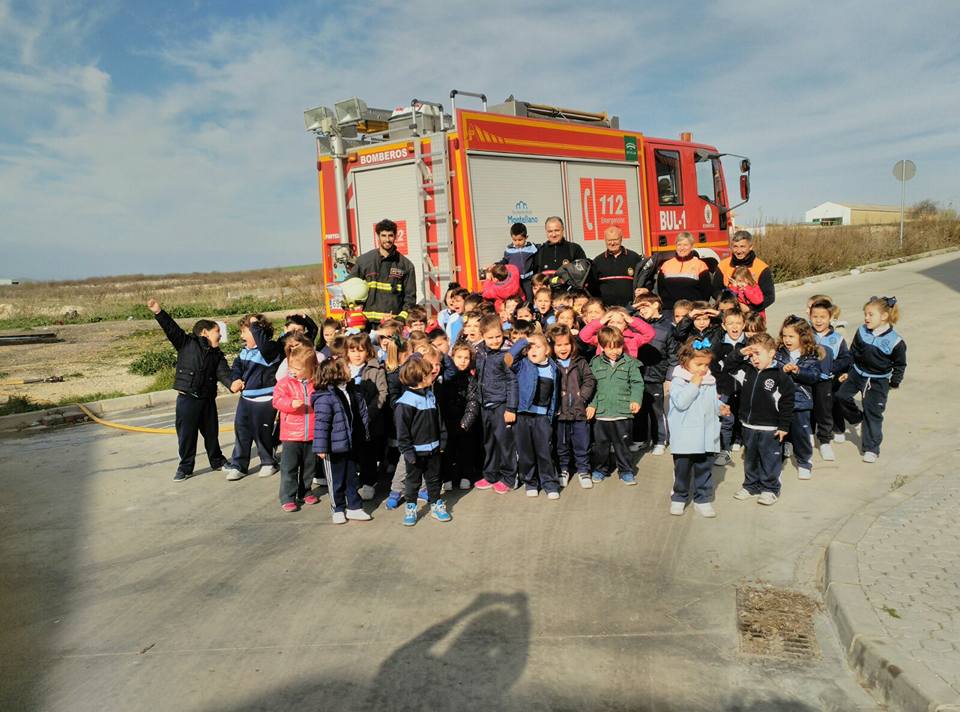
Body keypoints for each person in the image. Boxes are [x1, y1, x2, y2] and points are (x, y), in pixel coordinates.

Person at [147, 298, 238, 481]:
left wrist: (232, 384)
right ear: (205, 332)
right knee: (187, 436)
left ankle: (218, 461)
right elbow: (171, 328)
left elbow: (224, 373)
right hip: (187, 399)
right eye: (217, 332)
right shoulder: (186, 343)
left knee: (211, 434)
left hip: (207, 400)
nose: (220, 336)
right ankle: (185, 468)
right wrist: (159, 312)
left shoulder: (217, 354)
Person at [722, 333, 795, 506]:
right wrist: (741, 353)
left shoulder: (780, 375)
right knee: (751, 458)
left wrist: (784, 426)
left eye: (758, 354)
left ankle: (770, 489)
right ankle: (750, 485)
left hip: (771, 427)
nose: (754, 358)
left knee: (769, 459)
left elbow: (787, 402)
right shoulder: (746, 370)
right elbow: (727, 367)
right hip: (748, 425)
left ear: (771, 353)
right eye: (752, 354)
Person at [834, 296, 907, 463]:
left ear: (884, 317)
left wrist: (894, 382)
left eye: (870, 314)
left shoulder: (896, 341)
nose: (866, 318)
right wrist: (848, 370)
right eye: (865, 314)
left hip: (877, 381)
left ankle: (871, 448)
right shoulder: (862, 331)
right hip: (856, 374)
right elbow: (853, 352)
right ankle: (856, 419)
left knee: (873, 414)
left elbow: (900, 365)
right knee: (841, 396)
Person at [667, 341, 724, 518]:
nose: (703, 369)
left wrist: (720, 406)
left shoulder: (710, 380)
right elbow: (681, 403)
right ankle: (679, 497)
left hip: (706, 434)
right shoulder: (679, 381)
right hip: (686, 436)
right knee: (682, 470)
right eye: (698, 364)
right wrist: (694, 384)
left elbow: (711, 402)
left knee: (704, 469)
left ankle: (702, 499)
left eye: (706, 365)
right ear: (685, 362)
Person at [312, 357, 371, 524]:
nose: (350, 369)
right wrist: (321, 448)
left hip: (350, 444)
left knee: (352, 478)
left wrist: (364, 434)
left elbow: (360, 414)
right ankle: (337, 508)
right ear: (335, 373)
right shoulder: (325, 396)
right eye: (346, 367)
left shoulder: (352, 390)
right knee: (335, 480)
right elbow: (321, 425)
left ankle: (354, 507)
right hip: (333, 447)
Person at [223, 314, 282, 481]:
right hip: (246, 399)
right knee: (242, 431)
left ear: (258, 332)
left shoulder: (270, 349)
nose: (242, 336)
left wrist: (255, 325)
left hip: (264, 400)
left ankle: (268, 462)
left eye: (245, 331)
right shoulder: (245, 351)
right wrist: (235, 379)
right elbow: (236, 367)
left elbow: (263, 345)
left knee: (262, 432)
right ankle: (239, 465)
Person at [395, 353, 451, 526]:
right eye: (428, 374)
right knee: (413, 482)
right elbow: (402, 431)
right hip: (415, 453)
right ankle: (411, 507)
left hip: (433, 449)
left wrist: (442, 442)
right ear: (419, 377)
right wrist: (408, 452)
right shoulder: (405, 403)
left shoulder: (430, 396)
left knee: (434, 480)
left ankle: (436, 504)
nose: (432, 374)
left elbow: (439, 421)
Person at [587, 326, 644, 485]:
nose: (615, 351)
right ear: (602, 347)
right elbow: (591, 387)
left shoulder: (630, 363)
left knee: (623, 445)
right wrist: (592, 405)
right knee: (601, 445)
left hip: (622, 411)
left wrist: (635, 400)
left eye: (618, 347)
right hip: (601, 413)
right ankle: (600, 469)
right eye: (610, 348)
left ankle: (626, 470)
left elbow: (637, 383)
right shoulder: (595, 363)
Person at [776, 315, 830, 481]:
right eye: (784, 336)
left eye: (791, 336)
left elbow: (814, 376)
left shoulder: (809, 356)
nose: (787, 340)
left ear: (803, 336)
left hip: (801, 402)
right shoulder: (779, 354)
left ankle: (804, 462)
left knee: (802, 434)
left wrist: (798, 371)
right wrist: (781, 370)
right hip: (781, 402)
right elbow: (771, 372)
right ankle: (779, 458)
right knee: (780, 432)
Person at [509, 333, 561, 499]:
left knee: (544, 451)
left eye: (537, 346)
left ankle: (549, 483)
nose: (532, 350)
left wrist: (552, 414)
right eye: (529, 347)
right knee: (525, 452)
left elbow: (555, 395)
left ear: (547, 350)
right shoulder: (522, 364)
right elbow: (508, 359)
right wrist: (523, 341)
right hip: (523, 416)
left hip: (542, 418)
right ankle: (531, 482)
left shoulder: (554, 369)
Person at [473, 315, 519, 494]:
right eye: (490, 337)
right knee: (489, 442)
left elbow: (512, 382)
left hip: (501, 404)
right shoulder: (480, 351)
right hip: (485, 404)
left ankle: (509, 477)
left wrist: (511, 408)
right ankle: (491, 474)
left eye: (498, 336)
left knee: (505, 443)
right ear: (483, 335)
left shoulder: (506, 354)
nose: (495, 341)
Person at [272, 341, 320, 512]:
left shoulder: (316, 383)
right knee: (289, 467)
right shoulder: (285, 383)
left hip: (311, 433)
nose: (293, 370)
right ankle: (287, 496)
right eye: (291, 366)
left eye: (298, 368)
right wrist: (291, 403)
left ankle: (305, 491)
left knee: (309, 466)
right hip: (291, 434)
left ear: (310, 368)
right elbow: (277, 400)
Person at [548, 325, 596, 490]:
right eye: (559, 345)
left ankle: (583, 469)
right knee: (561, 444)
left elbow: (589, 380)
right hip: (560, 413)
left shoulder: (580, 362)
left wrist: (582, 398)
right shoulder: (551, 364)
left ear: (572, 344)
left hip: (578, 411)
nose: (563, 348)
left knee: (582, 442)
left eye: (566, 344)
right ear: (552, 347)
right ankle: (563, 469)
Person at [349, 218, 417, 325]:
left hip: (392, 324)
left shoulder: (406, 265)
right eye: (383, 235)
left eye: (390, 235)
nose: (387, 239)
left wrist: (400, 319)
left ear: (395, 236)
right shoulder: (364, 261)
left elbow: (410, 298)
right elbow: (350, 287)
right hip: (366, 323)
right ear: (378, 236)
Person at [344, 333, 388, 500]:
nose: (356, 354)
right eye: (353, 350)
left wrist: (369, 413)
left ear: (368, 351)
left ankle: (369, 482)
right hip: (348, 420)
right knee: (351, 453)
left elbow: (382, 393)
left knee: (367, 453)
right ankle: (354, 481)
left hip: (369, 419)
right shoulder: (342, 368)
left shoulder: (376, 369)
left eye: (361, 350)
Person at [634, 294, 678, 456]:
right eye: (638, 307)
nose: (640, 310)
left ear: (655, 305)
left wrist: (669, 377)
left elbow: (674, 356)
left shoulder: (668, 327)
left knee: (656, 411)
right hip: (638, 375)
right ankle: (639, 439)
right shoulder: (635, 323)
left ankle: (660, 440)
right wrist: (635, 308)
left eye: (644, 306)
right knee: (638, 410)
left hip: (657, 376)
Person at [808, 298, 851, 460]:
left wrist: (831, 367)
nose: (818, 320)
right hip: (807, 380)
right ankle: (809, 434)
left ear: (831, 318)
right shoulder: (805, 335)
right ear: (810, 317)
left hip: (826, 382)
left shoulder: (837, 339)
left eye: (822, 317)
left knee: (825, 410)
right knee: (808, 408)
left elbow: (846, 358)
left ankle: (825, 441)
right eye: (815, 316)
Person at [436, 342, 481, 491]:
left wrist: (466, 422)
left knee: (466, 449)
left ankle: (466, 476)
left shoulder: (470, 379)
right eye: (459, 357)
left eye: (466, 358)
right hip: (447, 420)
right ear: (452, 358)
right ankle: (447, 477)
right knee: (448, 450)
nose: (462, 361)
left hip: (464, 421)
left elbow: (472, 402)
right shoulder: (446, 377)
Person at [633, 232, 712, 310]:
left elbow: (706, 293)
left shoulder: (700, 265)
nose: (682, 248)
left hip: (692, 310)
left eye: (685, 245)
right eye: (679, 245)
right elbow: (661, 290)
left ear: (691, 247)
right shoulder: (666, 265)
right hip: (670, 310)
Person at [713, 309, 748, 463]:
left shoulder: (749, 344)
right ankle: (724, 449)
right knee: (726, 418)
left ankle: (741, 441)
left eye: (738, 323)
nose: (735, 327)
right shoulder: (719, 346)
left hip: (744, 389)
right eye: (730, 323)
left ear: (744, 324)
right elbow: (714, 369)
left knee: (743, 416)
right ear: (724, 325)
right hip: (725, 388)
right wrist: (717, 390)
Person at [713, 230, 775, 313]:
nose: (738, 251)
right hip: (729, 316)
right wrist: (726, 303)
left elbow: (769, 297)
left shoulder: (762, 268)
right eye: (735, 246)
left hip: (753, 318)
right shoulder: (723, 265)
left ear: (750, 247)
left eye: (742, 246)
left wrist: (750, 309)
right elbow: (715, 290)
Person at [589, 226, 643, 308]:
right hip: (606, 309)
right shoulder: (598, 261)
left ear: (621, 239)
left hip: (631, 308)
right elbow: (592, 287)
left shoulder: (634, 257)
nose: (612, 243)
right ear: (605, 240)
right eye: (609, 240)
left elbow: (644, 279)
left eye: (615, 239)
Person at [579, 306, 655, 359]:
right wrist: (601, 321)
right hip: (604, 373)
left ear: (626, 325)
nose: (615, 325)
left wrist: (632, 320)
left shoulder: (633, 338)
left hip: (626, 374)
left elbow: (650, 334)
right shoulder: (602, 336)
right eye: (612, 322)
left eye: (619, 323)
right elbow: (584, 336)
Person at [533, 216, 587, 281]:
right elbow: (536, 278)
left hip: (569, 290)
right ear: (546, 232)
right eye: (550, 231)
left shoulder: (574, 249)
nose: (554, 234)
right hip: (547, 290)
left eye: (557, 230)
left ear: (563, 229)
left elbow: (583, 273)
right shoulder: (540, 251)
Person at [500, 223, 538, 302]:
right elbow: (505, 261)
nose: (517, 242)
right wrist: (497, 265)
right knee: (517, 298)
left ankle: (530, 310)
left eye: (520, 240)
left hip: (528, 279)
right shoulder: (509, 250)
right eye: (514, 240)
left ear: (526, 237)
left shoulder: (532, 248)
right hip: (515, 279)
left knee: (529, 297)